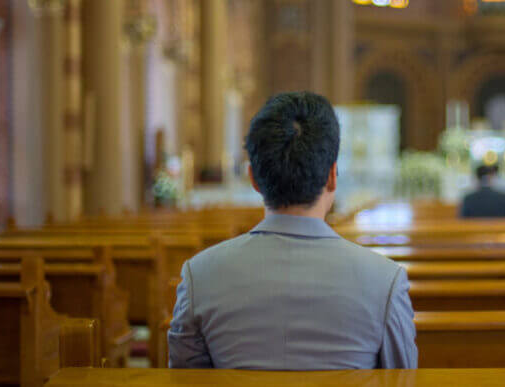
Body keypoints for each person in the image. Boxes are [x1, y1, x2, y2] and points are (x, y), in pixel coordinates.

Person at [169, 92, 417, 370]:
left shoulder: (199, 276)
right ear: (332, 175)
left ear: (254, 179)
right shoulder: (385, 282)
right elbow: (402, 380)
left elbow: (184, 381)